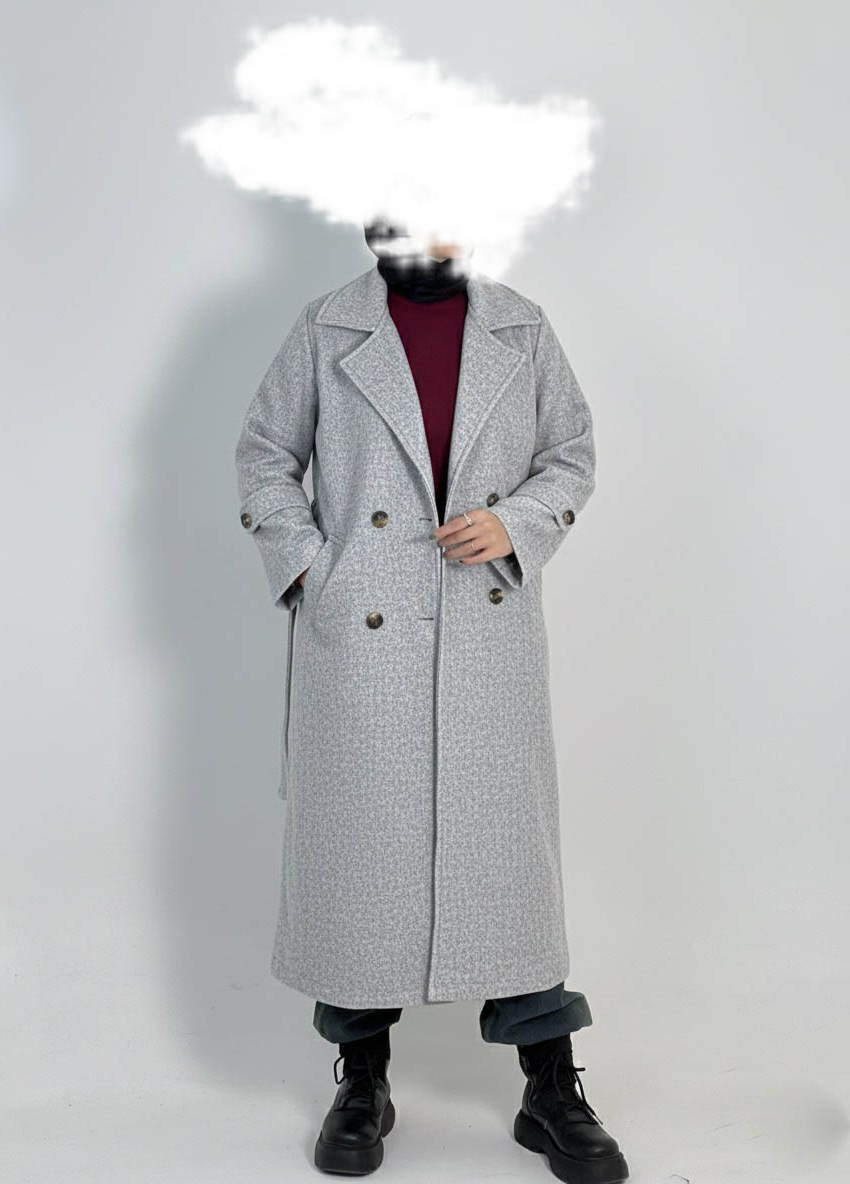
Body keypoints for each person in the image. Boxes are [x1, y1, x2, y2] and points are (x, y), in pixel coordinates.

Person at [235, 218, 629, 1183]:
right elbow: (264, 454)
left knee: (508, 856)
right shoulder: (327, 326)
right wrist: (312, 569)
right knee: (359, 858)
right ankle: (362, 1079)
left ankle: (549, 1085)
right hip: (361, 640)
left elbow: (571, 452)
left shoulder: (520, 327)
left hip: (486, 627)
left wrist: (517, 522)